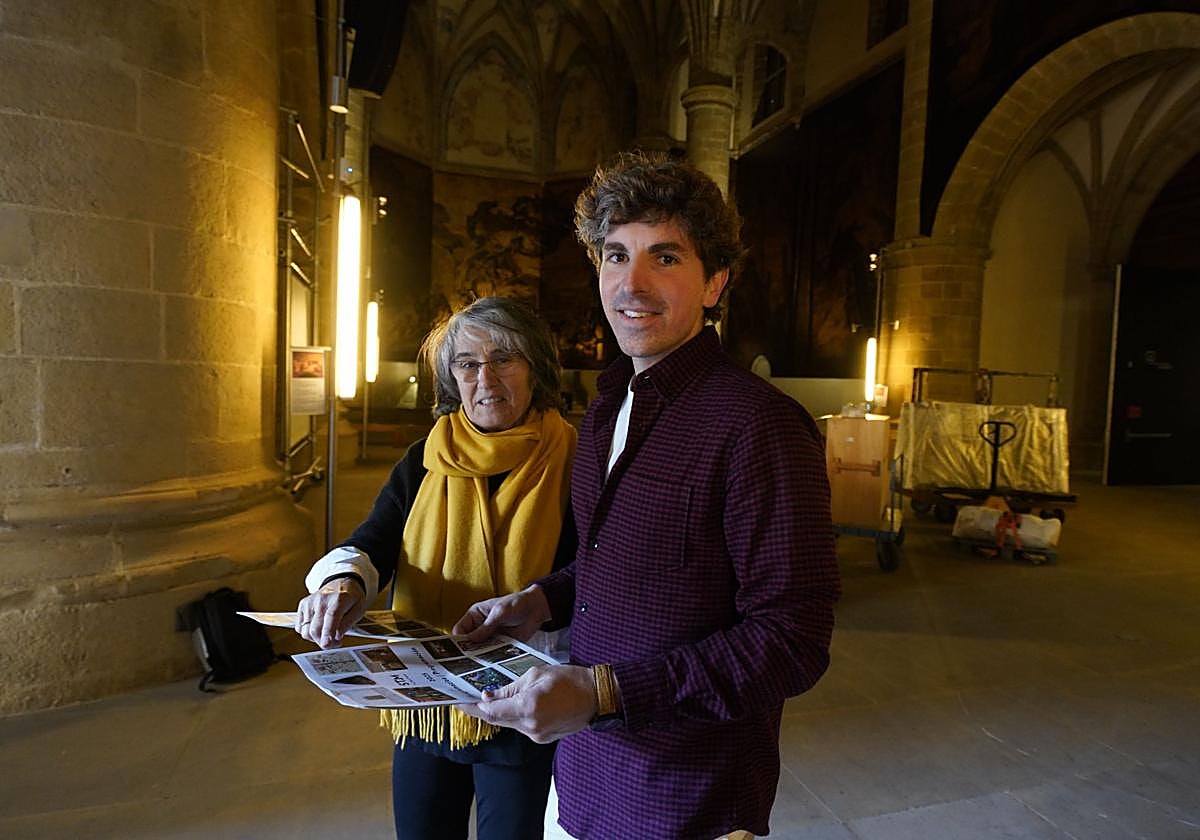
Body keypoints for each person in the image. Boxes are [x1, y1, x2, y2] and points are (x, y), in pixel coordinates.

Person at [452, 152, 841, 840]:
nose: (630, 283)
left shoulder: (760, 425)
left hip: (686, 798)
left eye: (664, 257)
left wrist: (604, 694)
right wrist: (540, 601)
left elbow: (792, 641)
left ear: (715, 281)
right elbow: (618, 563)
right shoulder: (604, 410)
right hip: (583, 780)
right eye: (614, 255)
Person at [294, 296, 578, 840]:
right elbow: (374, 539)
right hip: (426, 697)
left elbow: (595, 571)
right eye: (467, 364)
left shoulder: (575, 456)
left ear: (537, 368)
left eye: (504, 358)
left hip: (526, 692)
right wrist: (342, 581)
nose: (485, 378)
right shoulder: (427, 454)